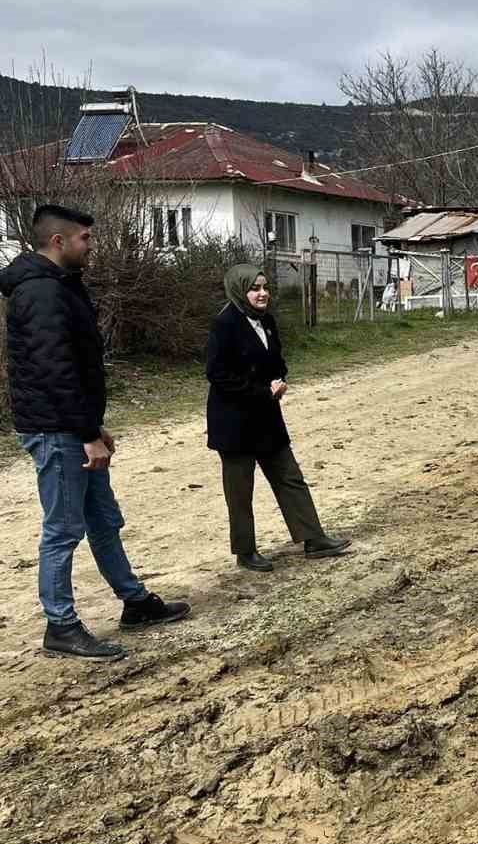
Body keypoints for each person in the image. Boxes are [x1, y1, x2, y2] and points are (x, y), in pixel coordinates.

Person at [0, 204, 191, 662]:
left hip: (74, 425)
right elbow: (55, 371)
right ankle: (61, 626)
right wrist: (85, 431)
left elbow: (75, 369)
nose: (92, 246)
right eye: (85, 239)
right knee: (62, 530)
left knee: (103, 519)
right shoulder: (42, 293)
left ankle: (135, 602)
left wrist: (94, 425)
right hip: (57, 430)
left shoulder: (61, 286)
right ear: (58, 242)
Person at [207, 264, 351, 571]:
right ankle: (245, 552)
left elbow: (276, 360)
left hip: (266, 417)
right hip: (234, 422)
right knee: (240, 490)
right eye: (255, 289)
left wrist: (279, 379)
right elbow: (217, 374)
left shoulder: (267, 321)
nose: (262, 294)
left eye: (265, 287)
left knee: (290, 476)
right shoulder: (225, 324)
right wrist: (261, 390)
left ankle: (314, 539)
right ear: (240, 291)